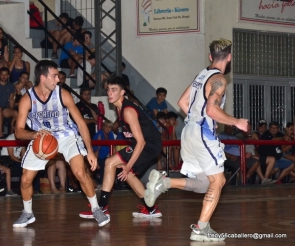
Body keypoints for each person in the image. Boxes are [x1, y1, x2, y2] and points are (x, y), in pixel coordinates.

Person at [144, 39, 248, 242]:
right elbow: (211, 109)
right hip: (202, 133)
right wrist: (236, 122)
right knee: (218, 181)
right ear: (229, 57)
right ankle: (201, 229)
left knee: (203, 184)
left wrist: (199, 119)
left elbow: (182, 102)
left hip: (189, 131)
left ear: (210, 57)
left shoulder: (201, 75)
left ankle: (164, 183)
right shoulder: (219, 80)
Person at [12, 60, 109, 228]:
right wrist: (35, 134)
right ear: (43, 77)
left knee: (80, 172)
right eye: (54, 76)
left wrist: (90, 151)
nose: (58, 79)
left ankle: (96, 208)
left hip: (67, 136)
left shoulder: (63, 94)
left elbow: (81, 123)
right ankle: (28, 213)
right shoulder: (27, 99)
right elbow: (18, 131)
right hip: (42, 138)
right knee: (26, 180)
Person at [79, 76, 163, 220]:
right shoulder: (120, 108)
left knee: (112, 163)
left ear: (123, 92)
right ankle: (150, 208)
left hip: (148, 145)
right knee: (126, 173)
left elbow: (141, 142)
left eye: (114, 90)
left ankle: (102, 208)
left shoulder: (127, 110)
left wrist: (128, 165)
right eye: (108, 90)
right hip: (144, 144)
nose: (110, 93)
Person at [0, 67, 17, 133]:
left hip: (4, 108)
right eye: (2, 74)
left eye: (5, 74)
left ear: (8, 76)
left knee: (17, 113)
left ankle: (11, 133)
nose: (4, 76)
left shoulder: (11, 86)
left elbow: (11, 99)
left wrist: (11, 108)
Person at [92, 120, 115, 186]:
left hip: (107, 157)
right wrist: (96, 162)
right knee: (103, 166)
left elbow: (113, 147)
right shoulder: (99, 134)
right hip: (97, 157)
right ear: (103, 127)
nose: (108, 128)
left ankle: (108, 185)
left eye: (110, 127)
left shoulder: (111, 134)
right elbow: (96, 150)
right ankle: (101, 184)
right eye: (106, 126)